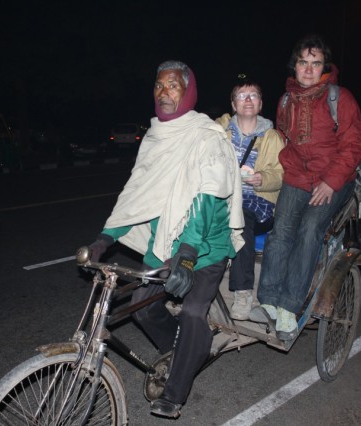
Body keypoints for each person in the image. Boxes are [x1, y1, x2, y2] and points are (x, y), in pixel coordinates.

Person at [86, 59, 244, 419]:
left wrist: (187, 254)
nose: (164, 92)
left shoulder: (206, 136)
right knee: (142, 306)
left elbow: (206, 199)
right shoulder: (155, 137)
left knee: (192, 311)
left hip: (205, 246)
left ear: (188, 90)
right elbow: (136, 194)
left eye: (173, 85)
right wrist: (104, 238)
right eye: (159, 85)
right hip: (165, 244)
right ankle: (185, 351)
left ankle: (175, 389)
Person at [249, 34, 361, 341]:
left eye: (316, 63)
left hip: (334, 177)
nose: (309, 69)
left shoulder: (340, 98)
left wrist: (331, 182)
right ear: (295, 66)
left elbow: (353, 146)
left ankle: (290, 307)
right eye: (303, 62)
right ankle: (268, 300)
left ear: (324, 67)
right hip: (297, 177)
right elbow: (284, 138)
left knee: (309, 229)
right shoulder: (286, 100)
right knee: (281, 231)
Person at [215, 77, 285, 320]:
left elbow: (281, 174)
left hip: (258, 201)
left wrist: (262, 178)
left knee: (240, 219)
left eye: (253, 95)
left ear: (260, 103)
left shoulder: (272, 137)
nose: (247, 100)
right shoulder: (219, 131)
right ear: (233, 104)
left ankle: (243, 292)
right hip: (224, 198)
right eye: (241, 96)